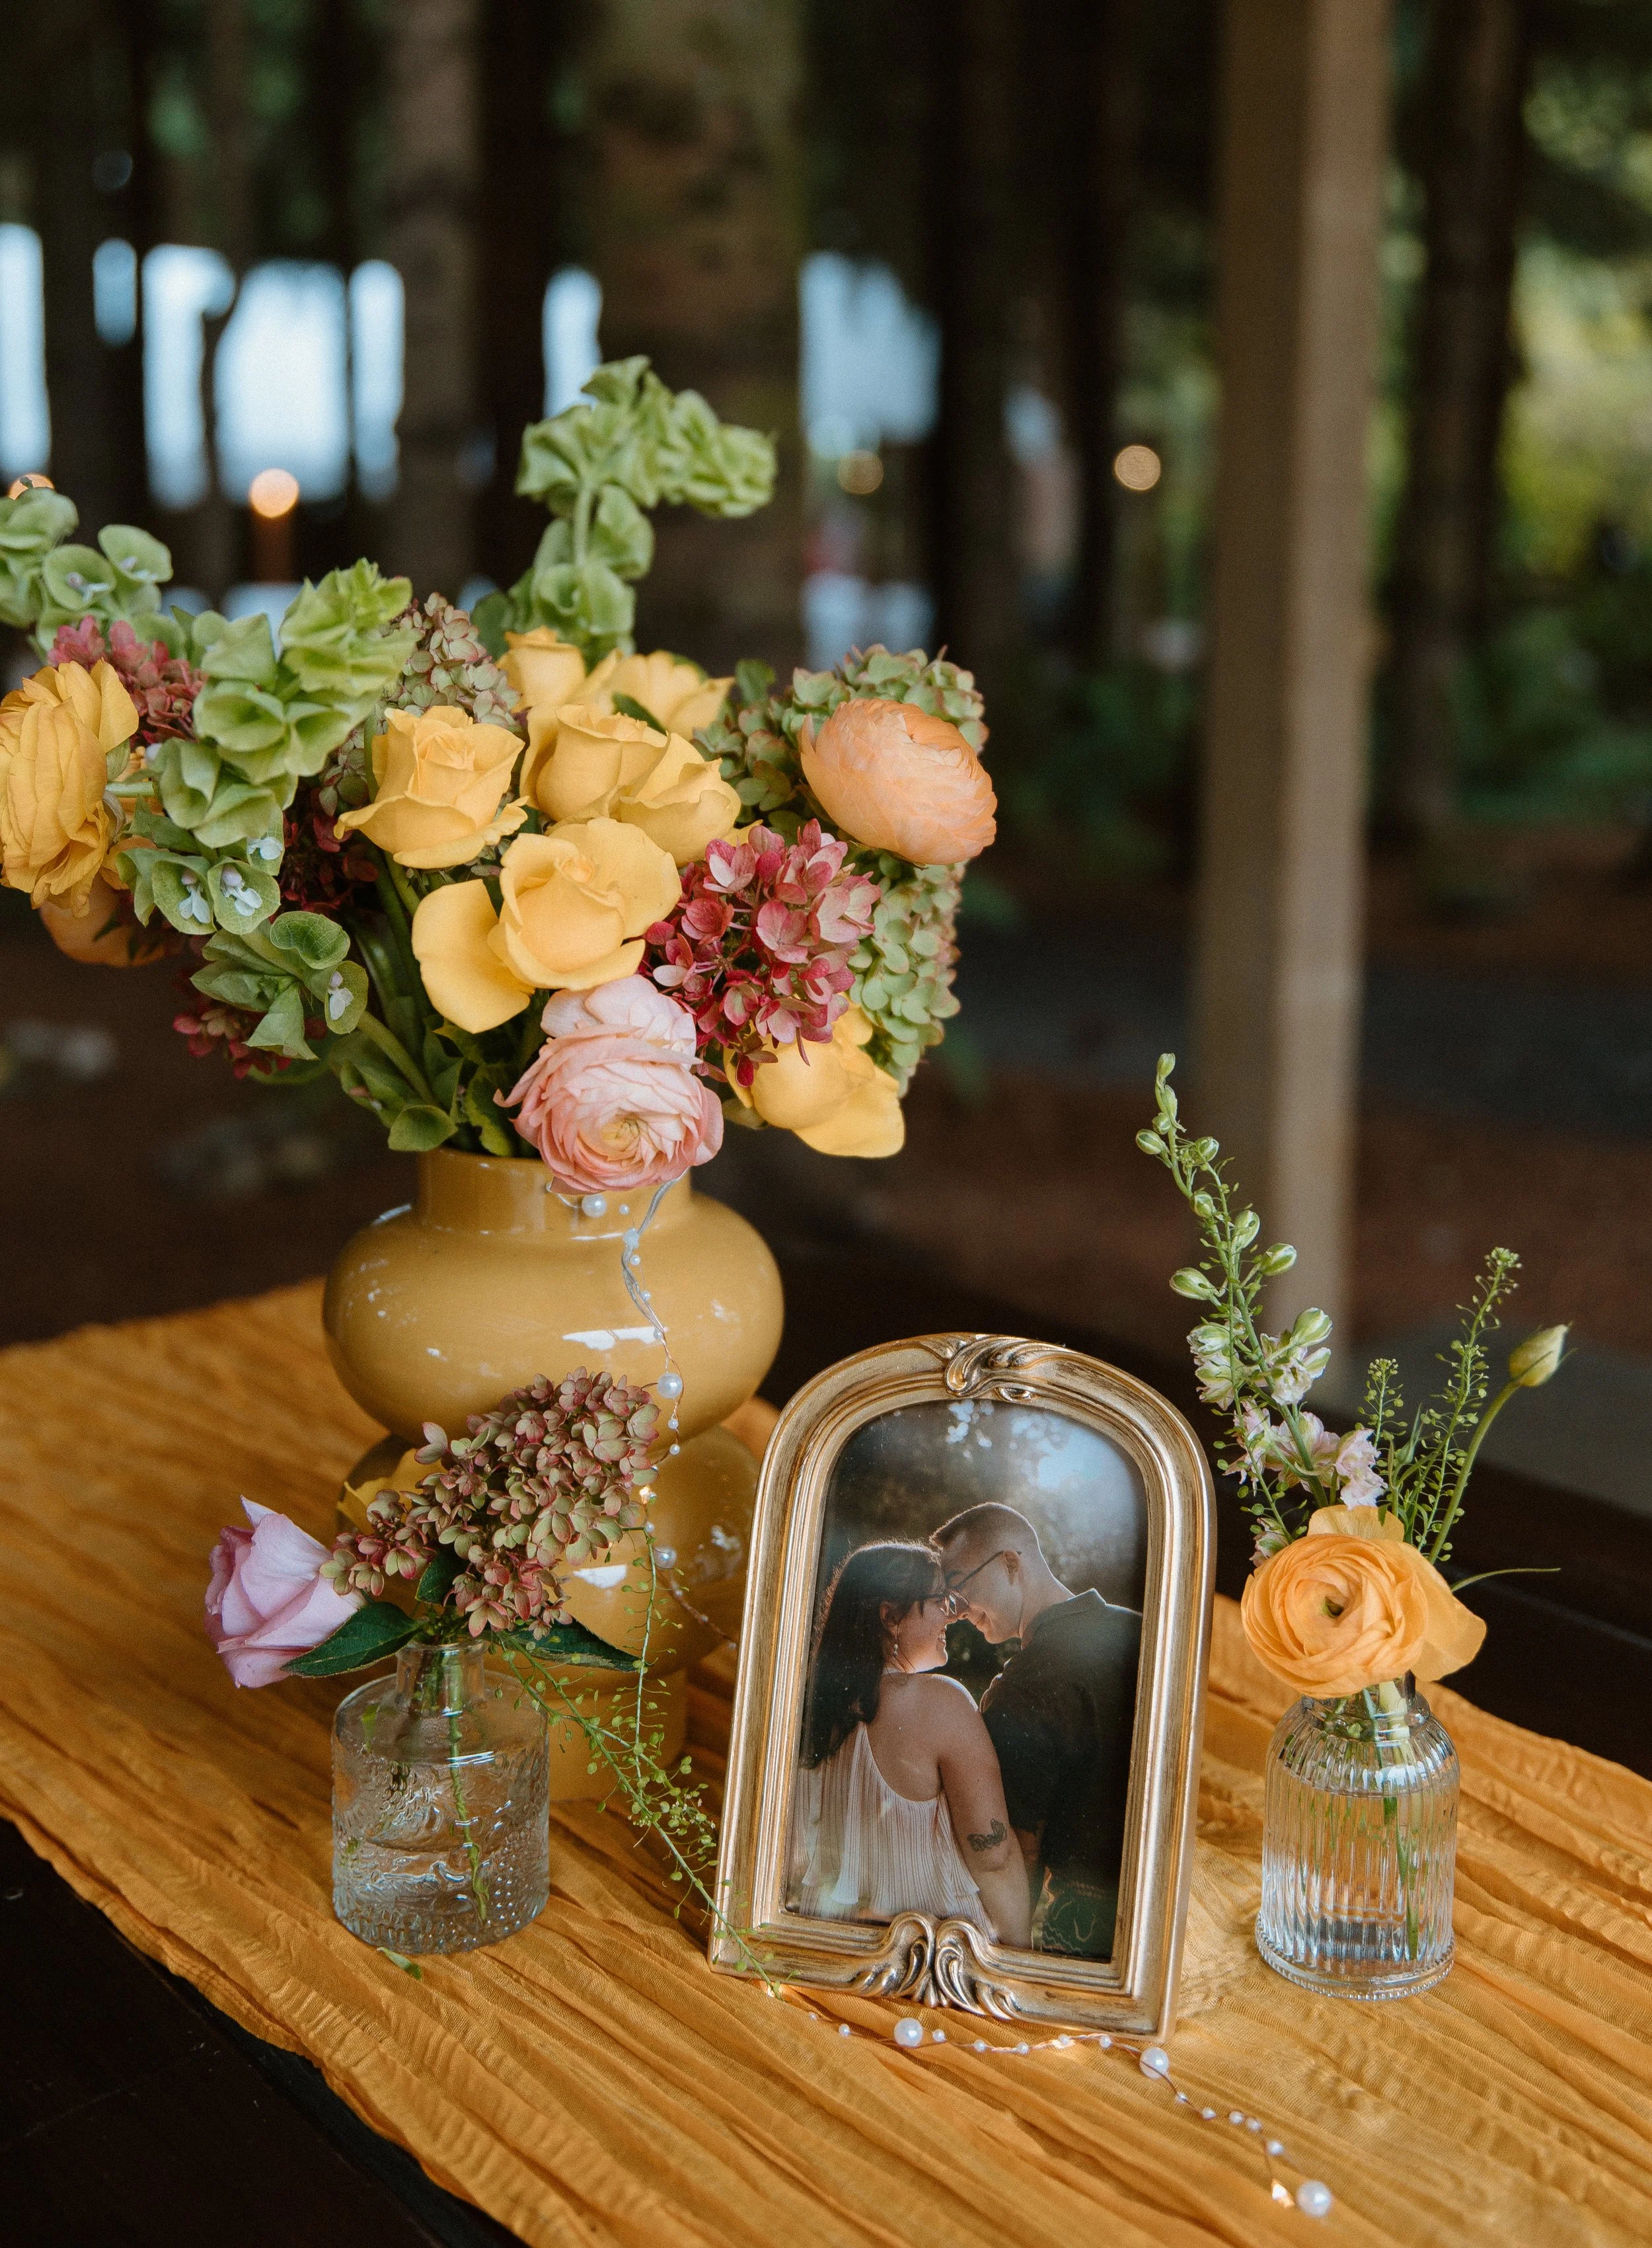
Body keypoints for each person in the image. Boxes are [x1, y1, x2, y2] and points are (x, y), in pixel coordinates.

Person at [790, 1541, 1032, 1947]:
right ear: (889, 1615)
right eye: (941, 1601)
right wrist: (1022, 1956)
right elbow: (994, 1856)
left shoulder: (805, 1706)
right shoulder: (939, 1702)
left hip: (824, 1946)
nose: (952, 1615)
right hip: (937, 1954)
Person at [931, 1502, 1141, 1958]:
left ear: (1011, 1562)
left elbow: (1017, 1853)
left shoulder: (1020, 1689)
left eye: (960, 1587)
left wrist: (1009, 1958)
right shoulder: (1140, 1629)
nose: (957, 1610)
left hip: (1086, 1928)